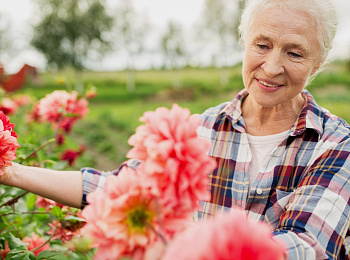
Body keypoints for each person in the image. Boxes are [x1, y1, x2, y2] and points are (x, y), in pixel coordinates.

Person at [1, 0, 350, 258]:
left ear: (318, 62)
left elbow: (305, 247)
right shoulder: (200, 130)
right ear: (245, 43)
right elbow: (120, 187)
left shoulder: (336, 146)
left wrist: (174, 244)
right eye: (262, 45)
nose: (272, 67)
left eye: (295, 53)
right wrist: (11, 171)